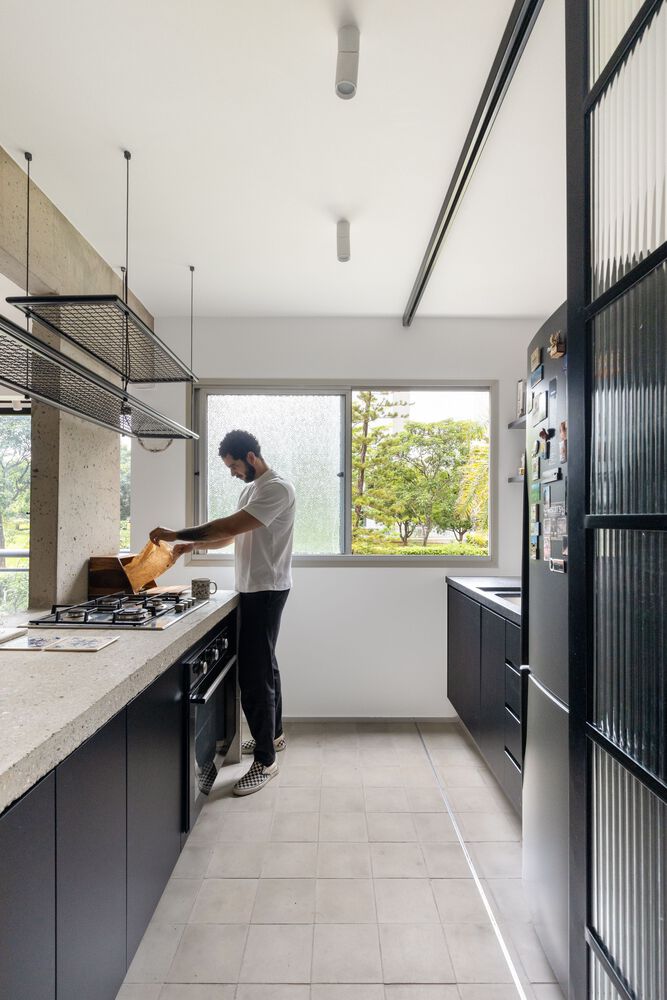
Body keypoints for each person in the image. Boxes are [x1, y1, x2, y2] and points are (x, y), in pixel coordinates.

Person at [150, 429, 295, 796]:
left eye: (233, 466)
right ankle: (274, 737)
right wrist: (190, 546)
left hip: (267, 589)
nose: (232, 473)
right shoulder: (251, 490)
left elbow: (228, 526)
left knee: (254, 675)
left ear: (250, 457)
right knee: (265, 665)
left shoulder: (277, 488)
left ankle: (265, 761)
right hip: (253, 587)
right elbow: (233, 535)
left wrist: (176, 533)